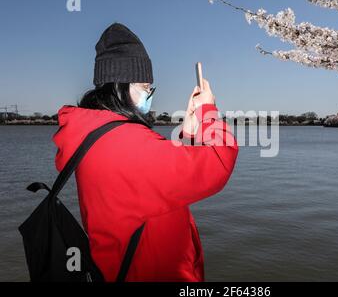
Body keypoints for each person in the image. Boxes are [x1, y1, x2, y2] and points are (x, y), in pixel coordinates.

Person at [52, 23, 239, 281]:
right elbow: (219, 161)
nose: (149, 94)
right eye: (144, 85)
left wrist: (189, 131)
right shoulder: (124, 142)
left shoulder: (100, 137)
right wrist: (209, 111)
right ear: (119, 84)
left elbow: (151, 182)